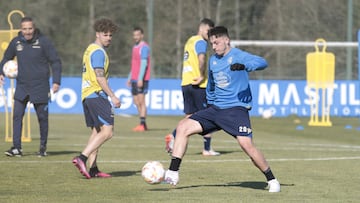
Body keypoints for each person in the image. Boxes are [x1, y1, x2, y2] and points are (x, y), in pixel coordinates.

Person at [164, 26, 281, 193]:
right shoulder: (213, 60)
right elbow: (211, 84)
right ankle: (173, 172)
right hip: (215, 109)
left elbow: (263, 62)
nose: (214, 46)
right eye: (211, 43)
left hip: (235, 110)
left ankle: (272, 179)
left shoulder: (238, 55)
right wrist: (210, 103)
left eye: (217, 42)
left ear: (227, 40)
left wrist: (244, 66)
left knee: (246, 145)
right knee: (183, 127)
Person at [0, 16, 62, 157]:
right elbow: (6, 58)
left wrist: (56, 81)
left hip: (40, 86)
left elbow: (55, 62)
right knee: (17, 116)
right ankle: (16, 148)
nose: (27, 32)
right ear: (21, 29)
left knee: (42, 118)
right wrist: (1, 72)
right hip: (22, 85)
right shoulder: (16, 42)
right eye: (24, 29)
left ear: (34, 28)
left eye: (30, 28)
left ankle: (42, 148)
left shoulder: (44, 42)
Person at [72, 18, 121, 179]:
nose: (108, 38)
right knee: (108, 132)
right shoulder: (99, 52)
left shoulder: (90, 49)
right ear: (97, 34)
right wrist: (112, 96)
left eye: (110, 35)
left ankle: (93, 169)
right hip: (96, 94)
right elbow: (100, 78)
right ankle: (82, 158)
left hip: (87, 95)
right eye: (105, 34)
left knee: (97, 131)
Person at [165, 18, 220, 156]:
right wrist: (201, 75)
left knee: (190, 116)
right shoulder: (201, 42)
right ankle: (206, 149)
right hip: (199, 84)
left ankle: (173, 137)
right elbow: (201, 59)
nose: (209, 34)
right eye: (208, 31)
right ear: (202, 28)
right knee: (209, 115)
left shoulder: (190, 40)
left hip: (186, 83)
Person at [127, 27, 151, 132]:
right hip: (134, 79)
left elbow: (144, 63)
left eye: (137, 35)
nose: (135, 37)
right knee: (136, 101)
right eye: (134, 35)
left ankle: (142, 124)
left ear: (142, 35)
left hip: (141, 79)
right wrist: (130, 77)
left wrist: (140, 78)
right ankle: (142, 123)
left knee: (141, 102)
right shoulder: (134, 47)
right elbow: (134, 65)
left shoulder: (144, 47)